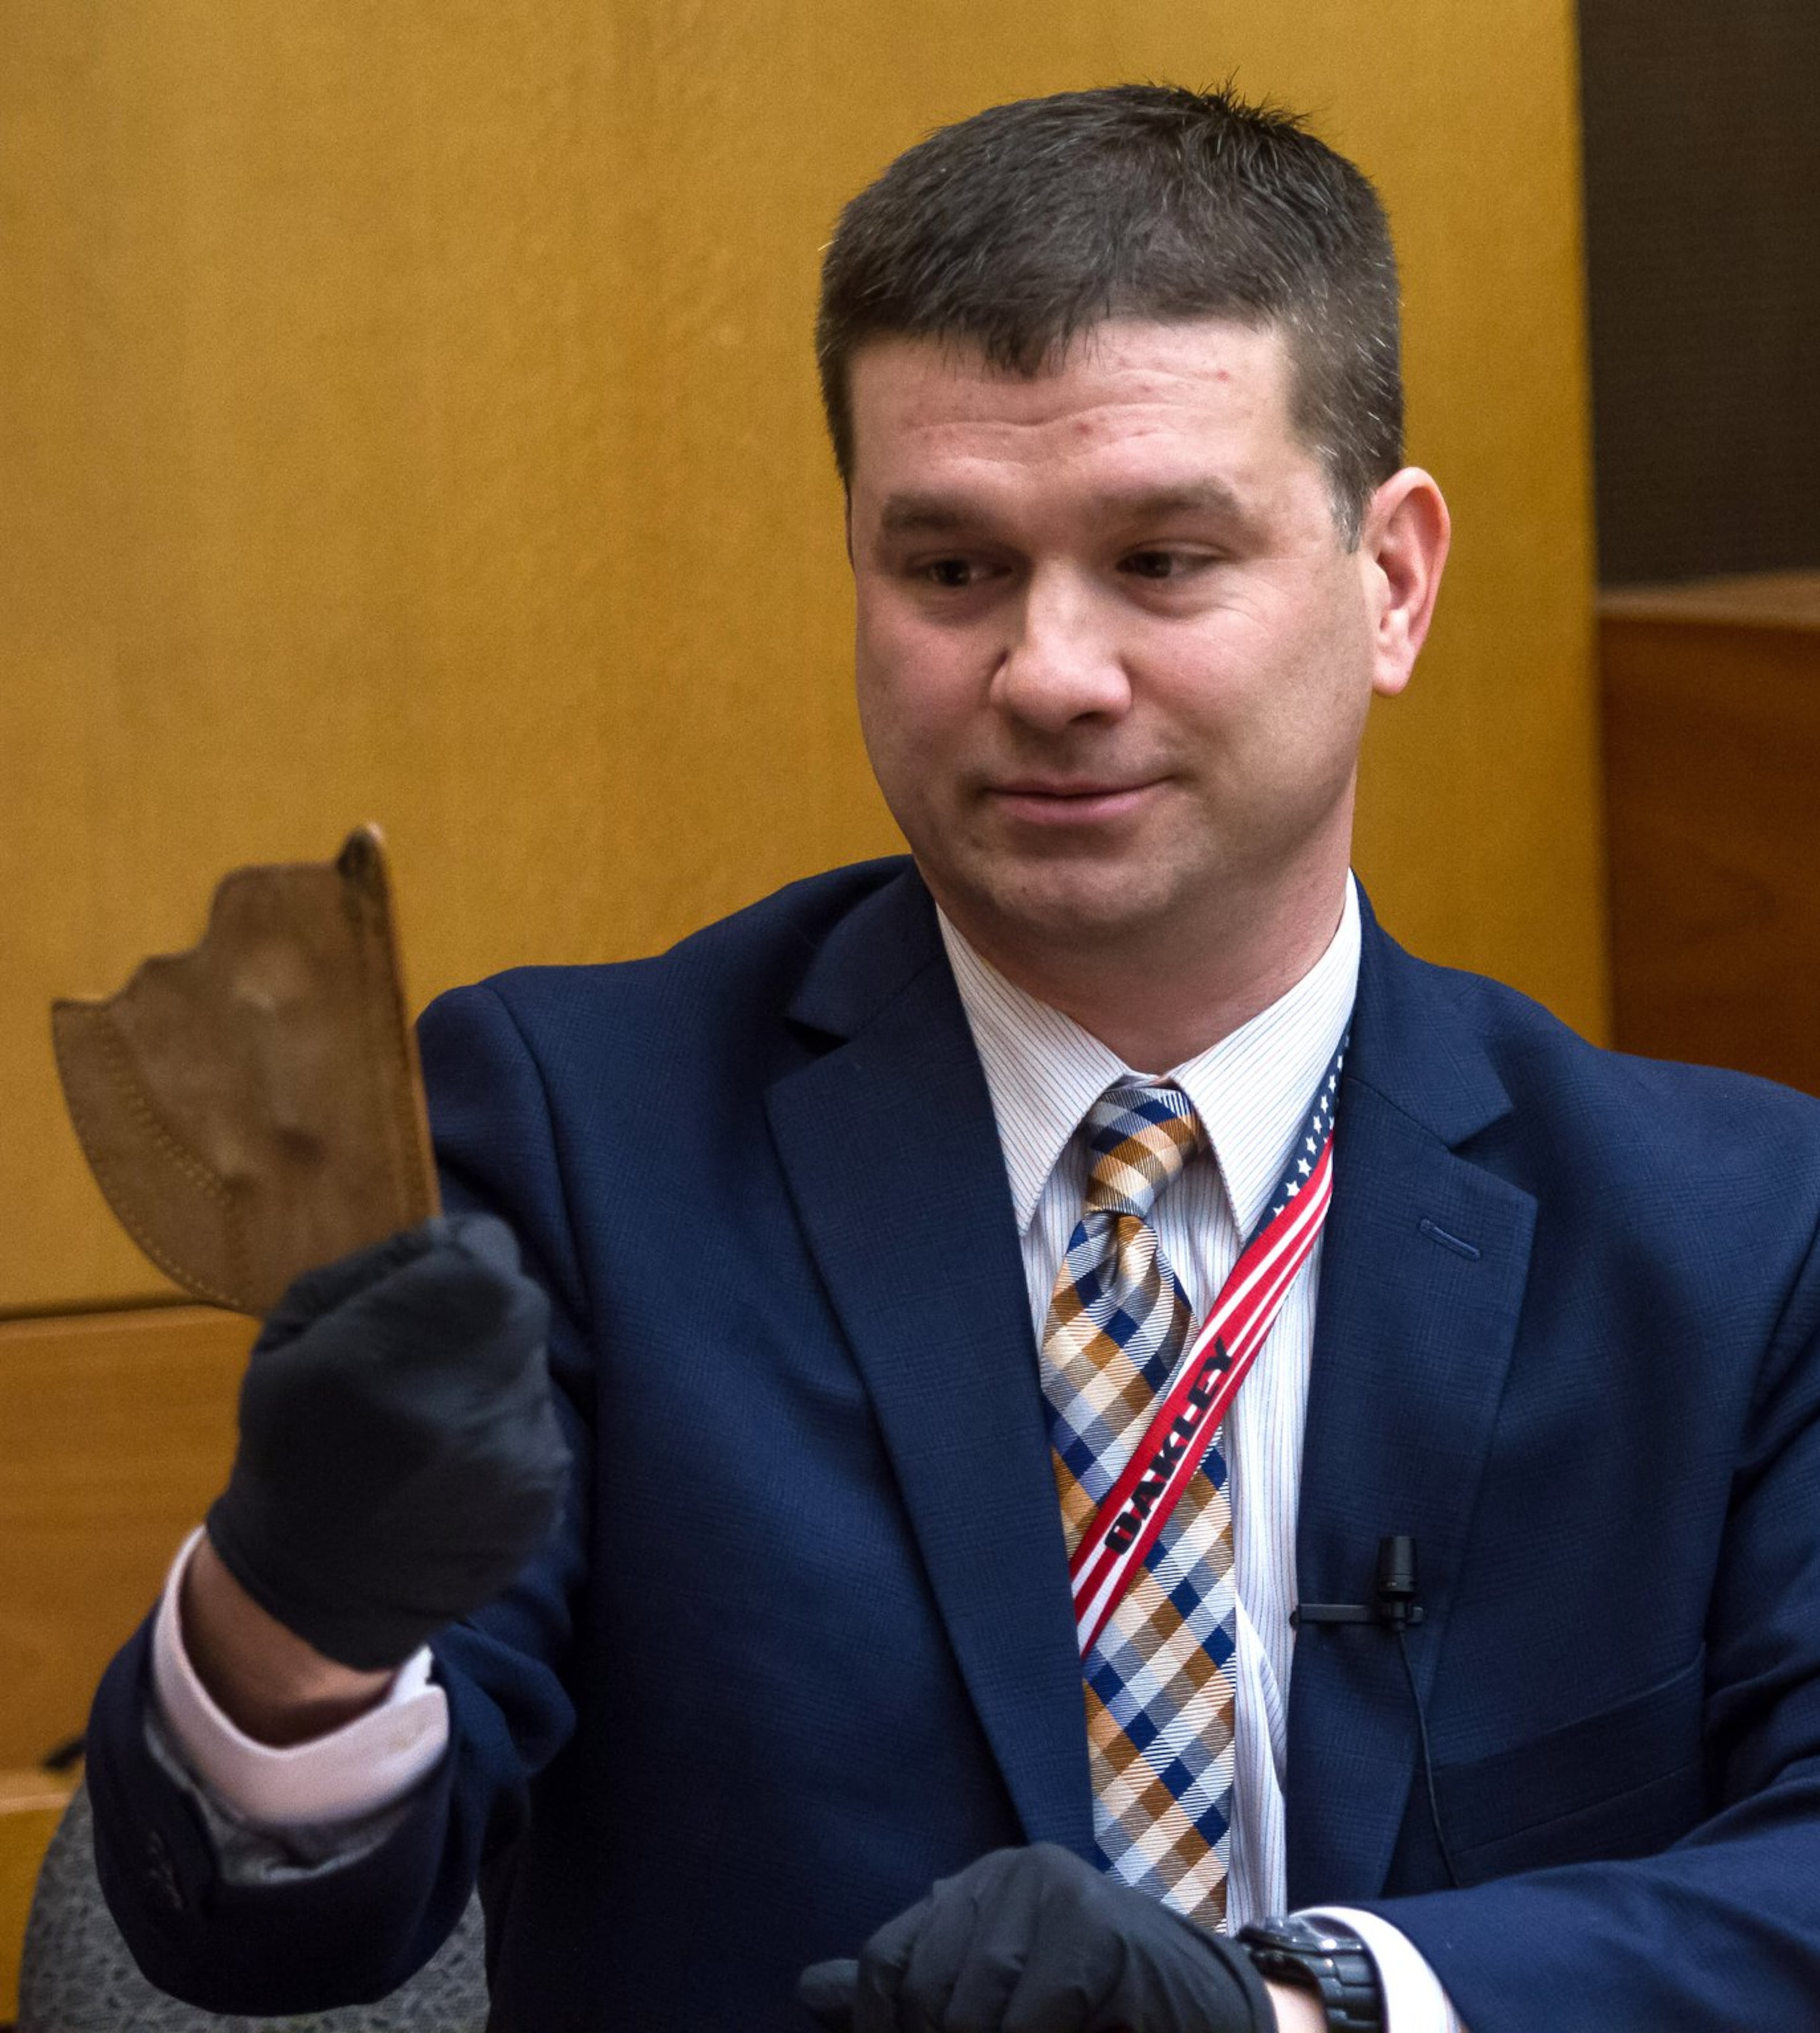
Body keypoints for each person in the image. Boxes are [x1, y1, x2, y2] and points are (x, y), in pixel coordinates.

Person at [84, 84, 1820, 2033]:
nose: (1051, 674)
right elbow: (267, 1934)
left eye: (1163, 559)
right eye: (954, 570)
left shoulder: (1735, 1237)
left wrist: (1307, 2009)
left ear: (1392, 578)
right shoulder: (579, 1136)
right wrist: (292, 1614)